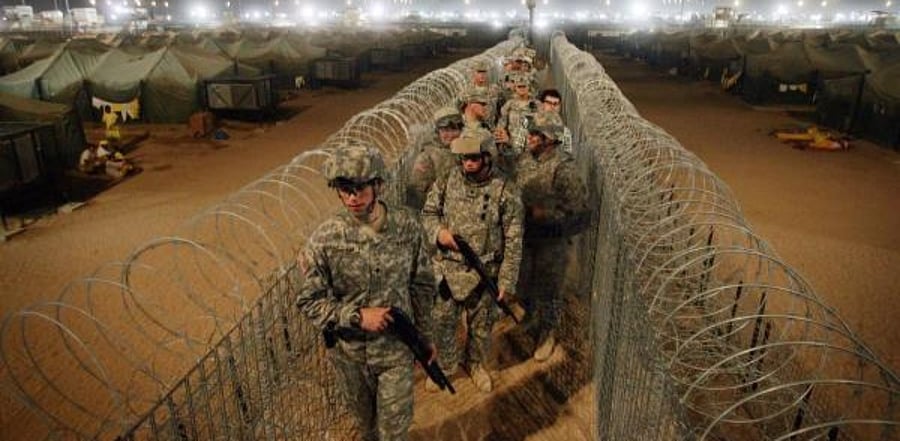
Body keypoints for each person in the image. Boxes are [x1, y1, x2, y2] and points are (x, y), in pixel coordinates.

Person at [295, 144, 436, 441]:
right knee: (367, 429)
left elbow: (422, 285)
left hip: (396, 350)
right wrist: (357, 316)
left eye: (359, 188)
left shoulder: (408, 226)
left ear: (378, 185)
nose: (352, 197)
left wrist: (424, 336)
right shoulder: (325, 238)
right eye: (344, 189)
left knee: (393, 432)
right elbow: (309, 300)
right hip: (351, 355)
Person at [421, 133, 523, 393]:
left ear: (488, 157)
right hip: (447, 266)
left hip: (484, 271)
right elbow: (429, 212)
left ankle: (475, 364)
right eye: (464, 157)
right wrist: (439, 233)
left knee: (481, 326)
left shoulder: (504, 189)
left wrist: (506, 280)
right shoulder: (447, 179)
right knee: (443, 322)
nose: (467, 163)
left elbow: (513, 238)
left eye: (474, 157)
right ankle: (445, 365)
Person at [515, 111, 588, 362]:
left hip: (551, 242)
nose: (532, 137)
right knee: (524, 284)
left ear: (552, 139)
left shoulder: (565, 169)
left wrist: (548, 214)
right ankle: (531, 315)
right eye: (532, 132)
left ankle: (548, 332)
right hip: (525, 238)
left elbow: (580, 214)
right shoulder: (524, 161)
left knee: (549, 290)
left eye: (538, 134)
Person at [406, 107, 463, 210]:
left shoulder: (466, 149)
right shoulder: (427, 156)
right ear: (438, 132)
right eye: (445, 130)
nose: (450, 135)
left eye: (454, 130)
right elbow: (416, 192)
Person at [537, 89, 573, 154]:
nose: (552, 106)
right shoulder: (531, 123)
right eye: (549, 103)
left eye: (556, 104)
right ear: (542, 104)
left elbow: (567, 155)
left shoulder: (565, 132)